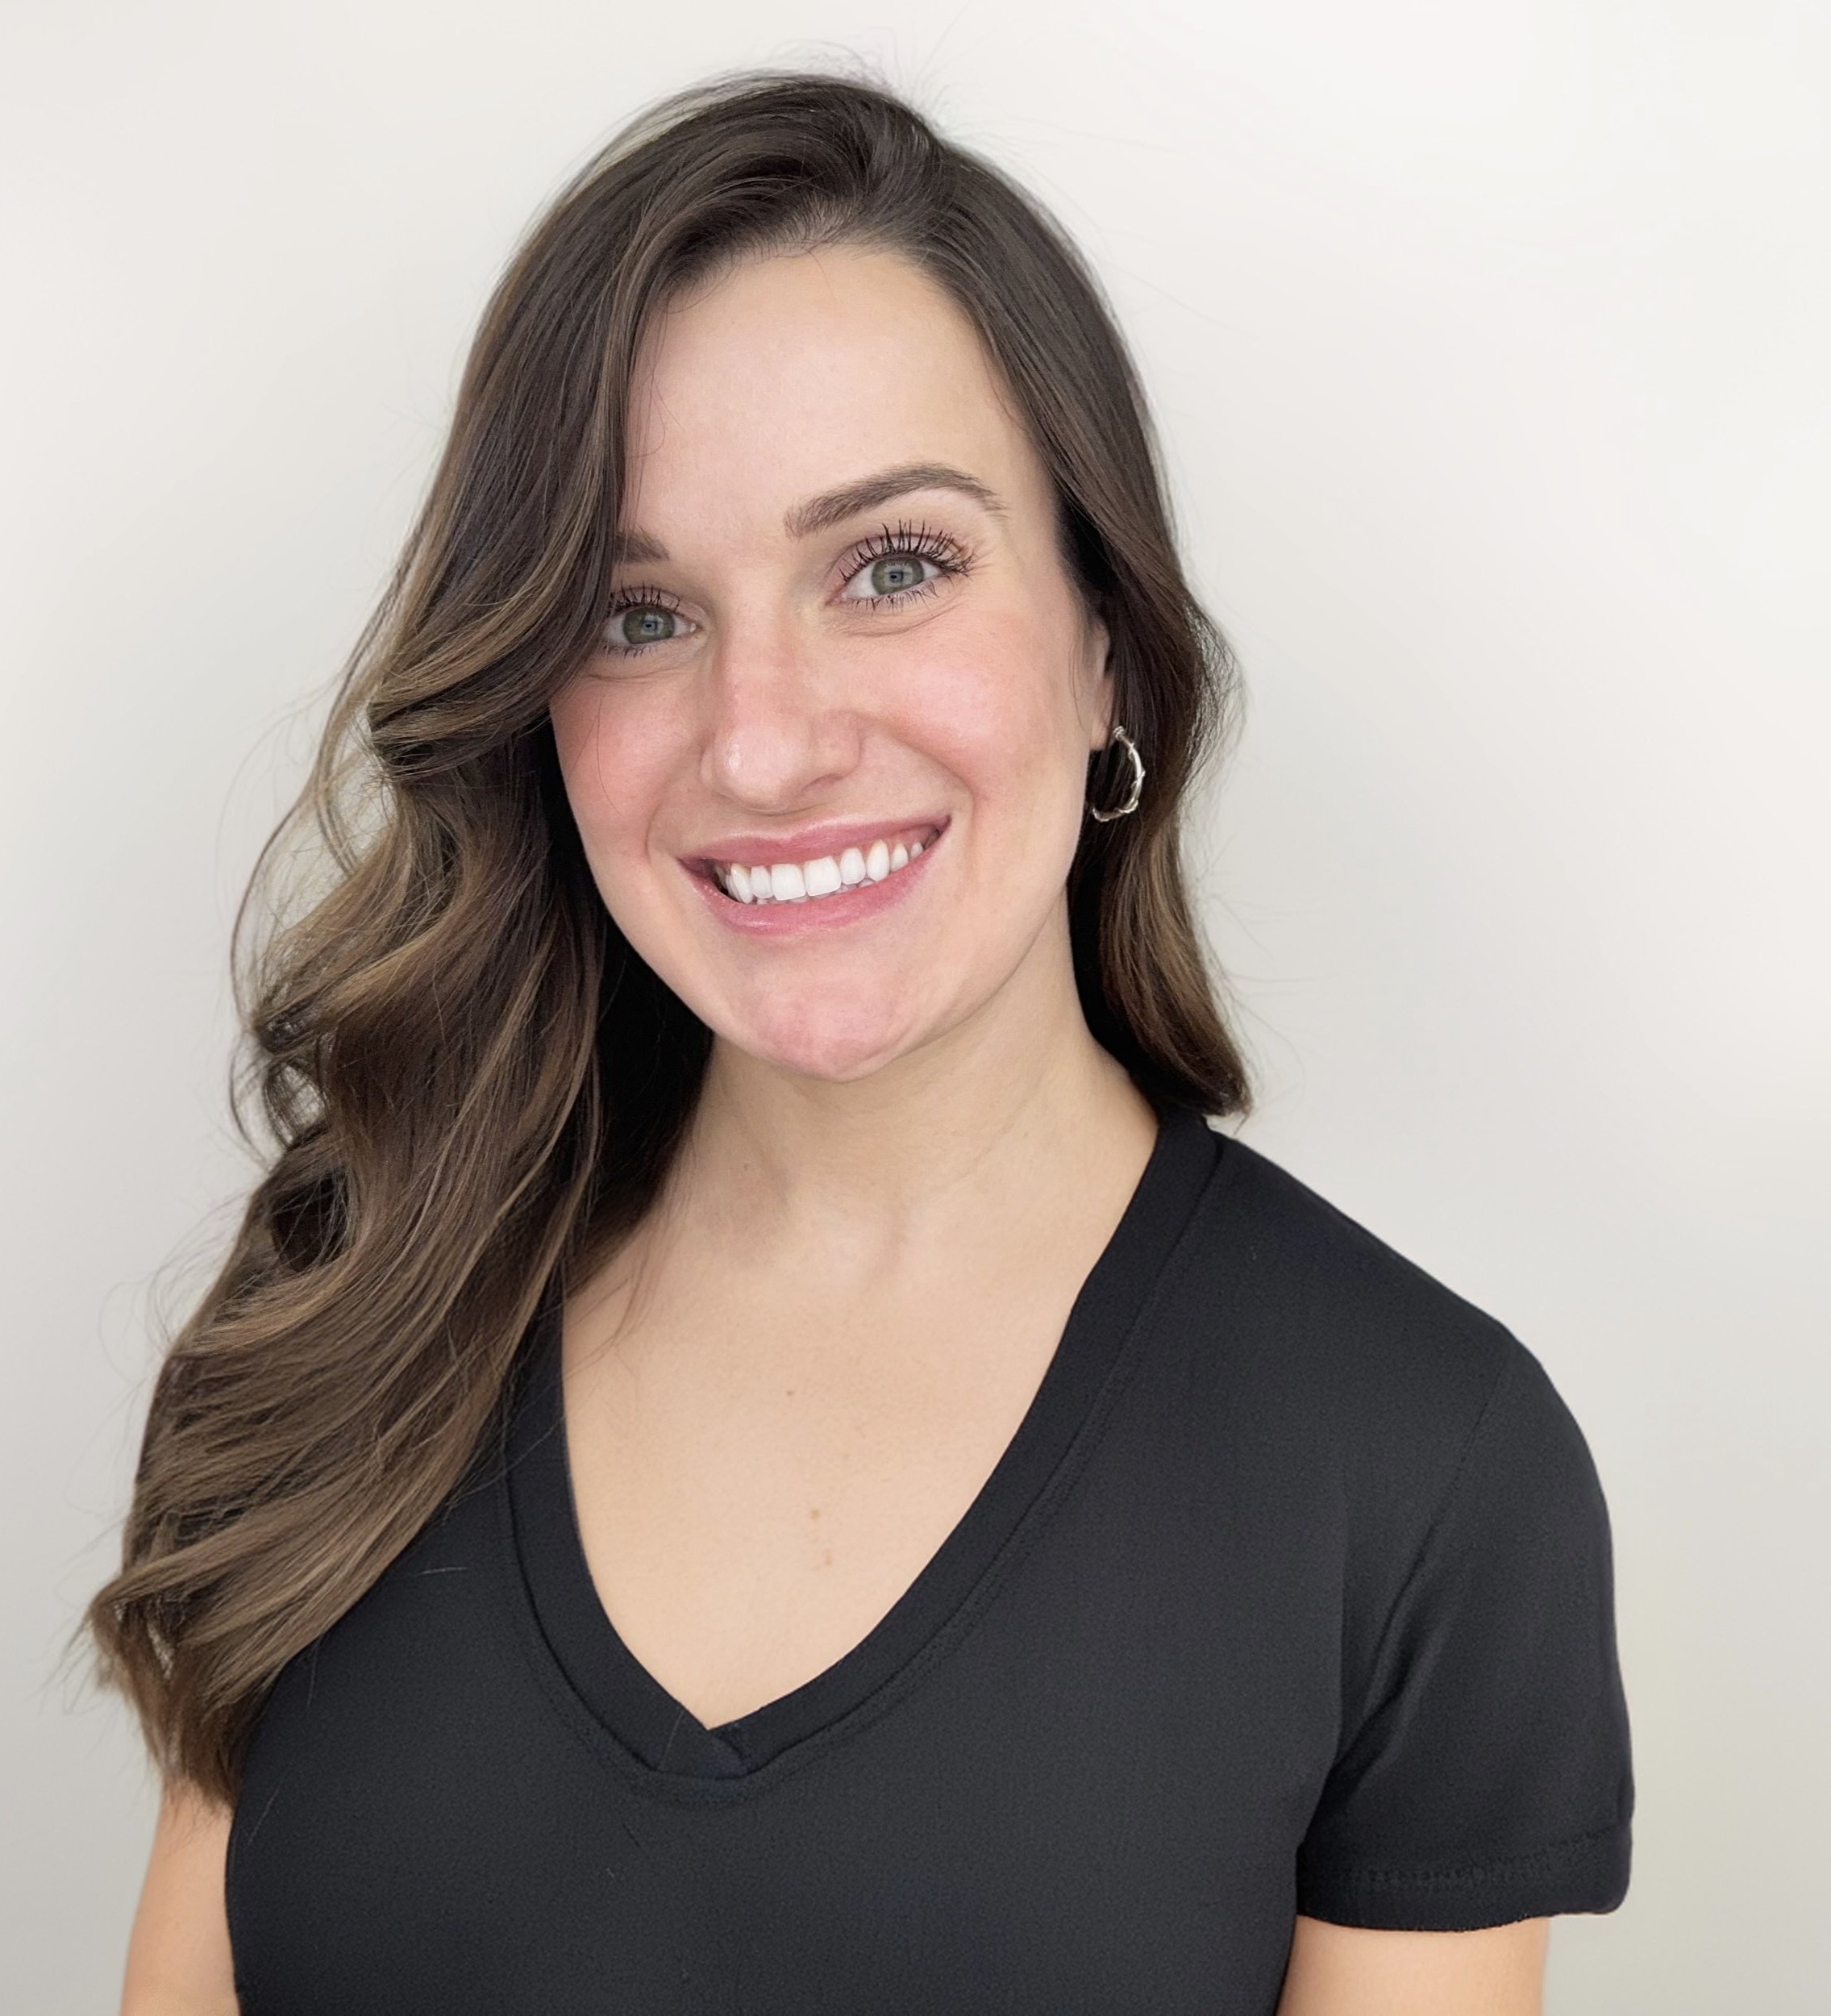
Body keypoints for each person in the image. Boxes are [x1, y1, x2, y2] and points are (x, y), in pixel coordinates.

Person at [94, 67, 1633, 2016]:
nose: (760, 736)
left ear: (1103, 642)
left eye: (891, 566)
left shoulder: (1418, 1464)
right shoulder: (340, 1304)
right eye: (633, 611)